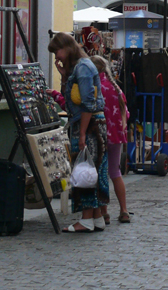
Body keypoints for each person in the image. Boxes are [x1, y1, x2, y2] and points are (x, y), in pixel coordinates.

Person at [48, 32, 109, 233]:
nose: (56, 57)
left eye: (57, 52)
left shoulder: (82, 68)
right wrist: (64, 74)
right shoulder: (81, 66)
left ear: (67, 47)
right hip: (92, 123)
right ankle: (97, 216)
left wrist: (82, 134)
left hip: (88, 125)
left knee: (85, 170)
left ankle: (86, 219)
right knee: (93, 169)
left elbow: (87, 103)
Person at [91, 56, 131, 224]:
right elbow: (126, 114)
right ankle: (124, 210)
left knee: (100, 173)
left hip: (100, 134)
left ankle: (104, 212)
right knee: (115, 172)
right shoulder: (116, 88)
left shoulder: (95, 87)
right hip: (117, 135)